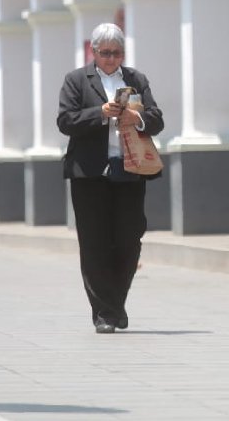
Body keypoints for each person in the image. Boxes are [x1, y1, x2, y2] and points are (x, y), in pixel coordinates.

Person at [57, 23, 164, 334]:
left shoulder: (135, 79)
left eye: (117, 54)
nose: (111, 59)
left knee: (129, 238)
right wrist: (101, 113)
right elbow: (65, 120)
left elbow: (157, 118)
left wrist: (137, 117)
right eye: (105, 54)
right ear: (93, 51)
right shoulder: (76, 81)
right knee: (94, 243)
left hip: (130, 168)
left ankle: (116, 301)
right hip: (89, 173)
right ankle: (105, 312)